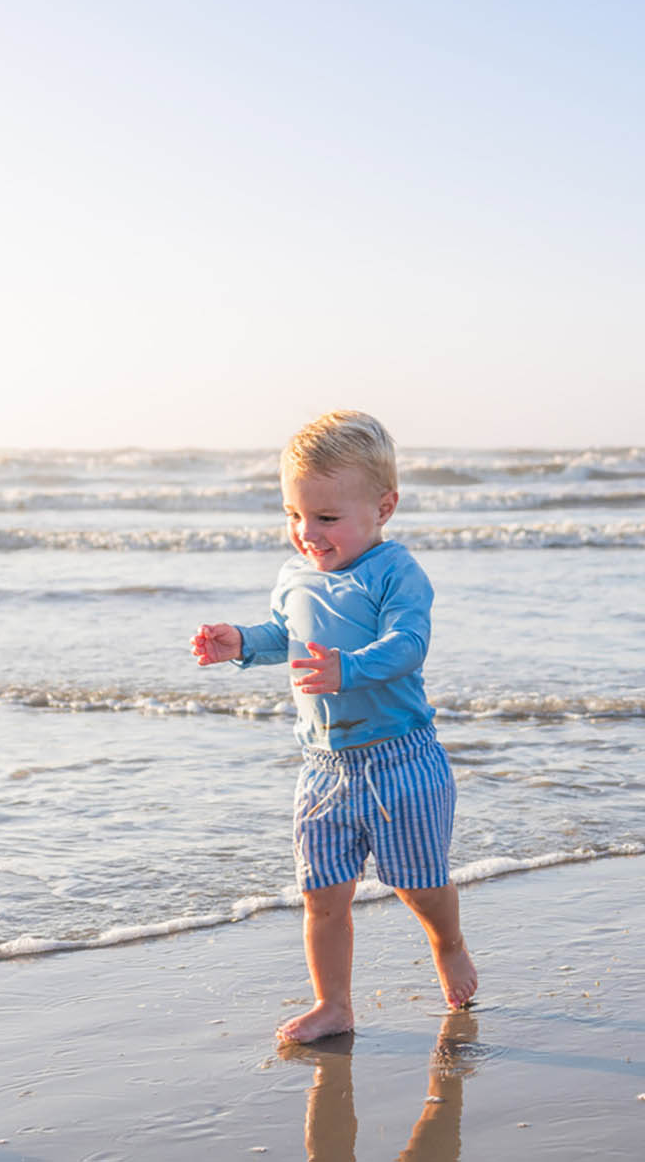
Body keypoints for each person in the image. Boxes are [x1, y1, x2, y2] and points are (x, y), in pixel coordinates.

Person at [191, 409, 478, 1043]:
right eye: (294, 515)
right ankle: (334, 1004)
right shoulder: (295, 575)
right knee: (322, 894)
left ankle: (448, 941)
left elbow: (409, 645)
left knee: (418, 884)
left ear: (384, 508)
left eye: (326, 518)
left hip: (401, 760)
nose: (306, 533)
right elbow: (282, 638)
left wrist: (346, 669)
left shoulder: (395, 571)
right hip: (323, 767)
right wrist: (239, 642)